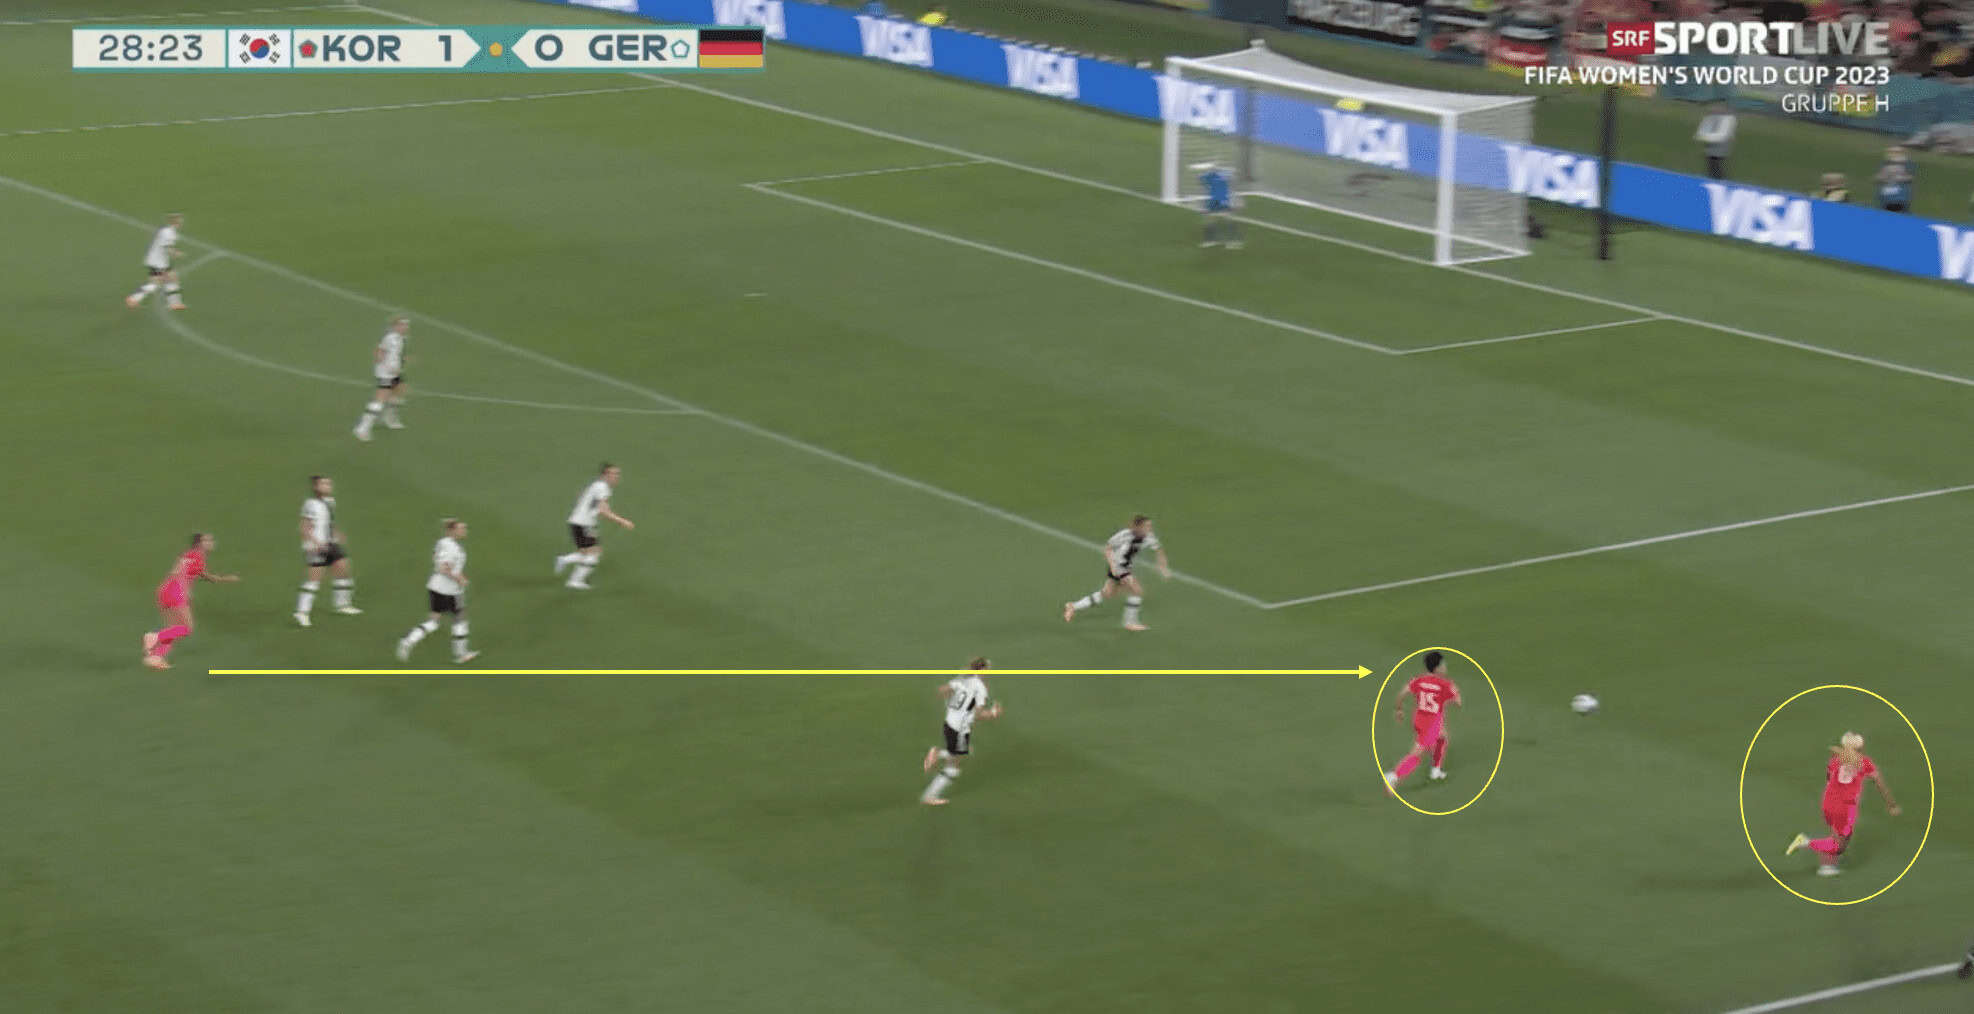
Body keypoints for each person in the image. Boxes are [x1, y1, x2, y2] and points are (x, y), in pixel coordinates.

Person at [1786, 732, 1899, 876]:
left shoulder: (1835, 760)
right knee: (1838, 845)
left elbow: (1829, 779)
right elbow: (1879, 783)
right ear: (1861, 747)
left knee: (1837, 838)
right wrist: (1891, 804)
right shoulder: (1864, 762)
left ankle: (1828, 865)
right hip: (1845, 807)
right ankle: (1807, 843)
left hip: (1828, 801)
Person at [142, 533, 239, 669]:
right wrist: (185, 593)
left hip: (165, 589)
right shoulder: (199, 556)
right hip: (177, 592)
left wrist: (223, 579)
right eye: (207, 540)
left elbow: (201, 574)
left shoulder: (188, 555)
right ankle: (154, 636)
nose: (211, 542)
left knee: (173, 629)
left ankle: (155, 658)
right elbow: (193, 575)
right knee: (187, 628)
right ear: (200, 544)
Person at [1062, 514, 1170, 631]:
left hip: (1125, 567)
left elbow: (1159, 550)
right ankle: (1130, 622)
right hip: (1119, 566)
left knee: (1107, 593)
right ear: (1138, 526)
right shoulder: (1125, 535)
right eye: (1146, 526)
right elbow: (1108, 548)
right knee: (1137, 591)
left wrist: (1163, 567)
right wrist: (1113, 566)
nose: (1149, 528)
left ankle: (1073, 606)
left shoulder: (1149, 536)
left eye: (1150, 526)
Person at [920, 656, 1003, 806]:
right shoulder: (981, 689)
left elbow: (942, 691)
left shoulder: (962, 678)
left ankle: (939, 756)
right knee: (953, 768)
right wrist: (993, 713)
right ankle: (930, 795)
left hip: (950, 723)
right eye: (988, 669)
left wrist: (953, 704)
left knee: (961, 754)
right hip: (959, 729)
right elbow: (978, 715)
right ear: (982, 670)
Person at [396, 518, 477, 663]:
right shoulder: (453, 548)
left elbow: (443, 564)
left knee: (433, 622)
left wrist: (458, 575)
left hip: (435, 586)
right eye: (461, 529)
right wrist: (460, 579)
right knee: (459, 620)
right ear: (452, 531)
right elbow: (444, 568)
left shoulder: (443, 542)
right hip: (449, 591)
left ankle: (408, 640)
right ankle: (461, 655)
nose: (464, 531)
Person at [1385, 651, 1461, 791]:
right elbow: (1458, 703)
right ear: (1437, 668)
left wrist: (1399, 710)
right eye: (1443, 664)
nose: (1445, 666)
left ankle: (1435, 770)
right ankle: (1394, 776)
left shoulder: (1419, 680)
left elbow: (1402, 693)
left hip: (1419, 719)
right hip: (1431, 725)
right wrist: (1454, 692)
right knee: (1416, 755)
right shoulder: (1445, 684)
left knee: (1442, 738)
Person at [553, 463, 635, 590]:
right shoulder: (602, 487)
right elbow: (603, 511)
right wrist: (622, 521)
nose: (616, 476)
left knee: (586, 553)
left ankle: (564, 560)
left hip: (580, 522)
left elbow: (594, 504)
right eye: (613, 474)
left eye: (618, 474)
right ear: (604, 475)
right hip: (583, 524)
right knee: (593, 555)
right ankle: (574, 580)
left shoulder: (597, 486)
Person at [295, 474, 360, 627]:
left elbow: (328, 522)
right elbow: (304, 527)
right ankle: (302, 612)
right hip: (316, 547)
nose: (328, 486)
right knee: (314, 580)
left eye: (329, 484)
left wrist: (336, 534)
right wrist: (316, 543)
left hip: (331, 544)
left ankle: (342, 605)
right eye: (324, 484)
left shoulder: (330, 501)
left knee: (343, 570)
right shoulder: (311, 504)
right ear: (316, 487)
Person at [353, 316, 411, 441]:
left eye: (406, 325)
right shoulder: (389, 338)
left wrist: (401, 362)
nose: (405, 327)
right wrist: (386, 366)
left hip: (395, 373)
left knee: (400, 390)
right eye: (402, 325)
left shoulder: (401, 338)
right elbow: (379, 352)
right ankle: (362, 428)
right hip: (386, 374)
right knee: (380, 400)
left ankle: (389, 418)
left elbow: (396, 354)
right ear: (395, 326)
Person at [125, 213, 187, 311]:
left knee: (171, 279)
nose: (181, 222)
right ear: (176, 222)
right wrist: (176, 254)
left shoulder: (166, 230)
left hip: (159, 261)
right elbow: (167, 248)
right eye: (180, 220)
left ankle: (174, 303)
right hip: (158, 263)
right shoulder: (169, 233)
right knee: (156, 283)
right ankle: (133, 298)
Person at [1193, 162, 1242, 249]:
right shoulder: (1221, 174)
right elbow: (1233, 176)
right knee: (1210, 219)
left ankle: (1232, 241)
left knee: (1227, 219)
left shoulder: (1212, 175)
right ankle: (1211, 240)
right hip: (1215, 200)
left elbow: (1199, 179)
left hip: (1221, 200)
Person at [1695, 102, 1737, 180]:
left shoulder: (1727, 119)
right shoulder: (1713, 118)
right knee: (1713, 167)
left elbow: (1721, 135)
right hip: (1712, 149)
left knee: (1716, 168)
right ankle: (1718, 180)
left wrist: (1705, 136)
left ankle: (1721, 181)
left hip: (1719, 149)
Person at [1876, 147, 1914, 212]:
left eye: (1895, 153)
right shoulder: (1887, 165)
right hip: (1888, 194)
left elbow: (1909, 178)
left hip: (1897, 197)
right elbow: (1880, 177)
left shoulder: (1905, 165)